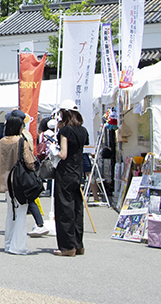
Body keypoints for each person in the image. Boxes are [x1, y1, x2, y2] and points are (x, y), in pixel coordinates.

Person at [0, 115, 36, 255]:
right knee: (21, 211)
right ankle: (19, 246)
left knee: (11, 212)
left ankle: (8, 243)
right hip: (20, 181)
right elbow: (29, 162)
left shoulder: (1, 142)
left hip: (6, 181)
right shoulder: (21, 141)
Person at [53, 100, 89, 257]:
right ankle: (78, 244)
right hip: (77, 172)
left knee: (64, 209)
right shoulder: (83, 130)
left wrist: (53, 151)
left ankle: (67, 247)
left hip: (65, 173)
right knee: (77, 209)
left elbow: (63, 154)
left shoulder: (65, 131)